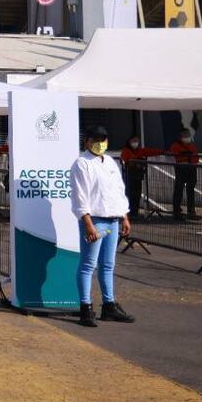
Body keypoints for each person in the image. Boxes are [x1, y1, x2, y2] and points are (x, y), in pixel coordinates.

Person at [71, 125, 135, 328]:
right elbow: (80, 195)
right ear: (87, 142)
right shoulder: (82, 163)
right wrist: (87, 222)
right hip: (96, 219)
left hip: (112, 219)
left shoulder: (109, 162)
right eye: (97, 139)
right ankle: (85, 307)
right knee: (88, 264)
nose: (101, 143)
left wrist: (124, 215)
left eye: (104, 139)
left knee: (108, 265)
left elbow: (118, 190)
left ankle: (109, 304)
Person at [119, 135, 163, 218]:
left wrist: (163, 152)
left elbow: (151, 151)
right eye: (133, 141)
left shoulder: (140, 150)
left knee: (137, 194)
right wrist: (134, 163)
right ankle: (129, 212)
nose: (135, 143)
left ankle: (135, 212)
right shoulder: (126, 151)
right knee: (130, 194)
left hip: (138, 175)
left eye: (137, 141)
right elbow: (123, 160)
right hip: (130, 175)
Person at [169, 128, 199, 220]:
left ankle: (191, 211)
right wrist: (185, 160)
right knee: (178, 190)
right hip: (181, 170)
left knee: (191, 190)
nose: (187, 137)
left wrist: (189, 161)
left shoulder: (192, 146)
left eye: (188, 135)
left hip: (191, 169)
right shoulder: (175, 146)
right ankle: (177, 212)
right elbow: (175, 156)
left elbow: (196, 157)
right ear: (180, 137)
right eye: (185, 135)